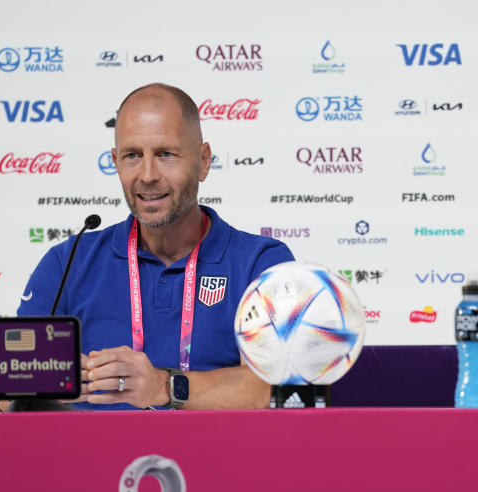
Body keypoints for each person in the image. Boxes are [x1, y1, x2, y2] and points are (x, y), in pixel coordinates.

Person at [18, 83, 294, 409]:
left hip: (216, 458)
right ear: (115, 162)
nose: (147, 175)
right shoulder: (68, 262)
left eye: (165, 154)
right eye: (132, 156)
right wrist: (50, 384)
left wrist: (165, 386)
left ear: (203, 161)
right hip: (94, 459)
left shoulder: (261, 264)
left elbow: (278, 391)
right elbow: (13, 390)